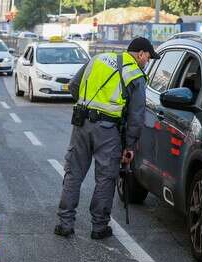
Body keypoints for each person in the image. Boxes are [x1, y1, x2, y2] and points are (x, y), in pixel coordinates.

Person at [54, 37, 160, 240]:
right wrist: (130, 145)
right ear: (140, 54)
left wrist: (88, 106)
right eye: (148, 57)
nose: (147, 61)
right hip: (108, 131)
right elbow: (136, 116)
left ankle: (64, 224)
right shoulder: (135, 74)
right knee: (105, 178)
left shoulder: (98, 59)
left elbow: (74, 86)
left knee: (73, 174)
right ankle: (99, 227)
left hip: (81, 124)